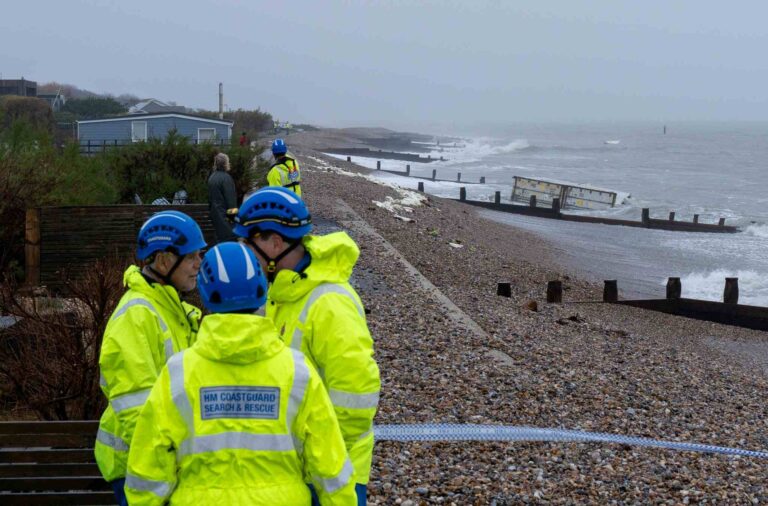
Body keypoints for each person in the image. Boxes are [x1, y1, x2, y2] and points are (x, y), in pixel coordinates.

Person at [125, 242, 357, 505]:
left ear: (206, 293)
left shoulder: (178, 374)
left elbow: (148, 468)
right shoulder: (298, 372)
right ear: (261, 290)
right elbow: (331, 467)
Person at [234, 187, 380, 505]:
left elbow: (355, 400)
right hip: (294, 470)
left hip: (331, 477)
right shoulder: (280, 291)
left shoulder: (329, 303)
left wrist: (318, 461)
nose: (243, 250)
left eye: (248, 241)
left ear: (275, 242)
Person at [95, 210, 207, 506]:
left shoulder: (170, 308)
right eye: (192, 256)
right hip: (142, 468)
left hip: (164, 461)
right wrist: (172, 463)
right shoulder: (137, 315)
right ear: (164, 260)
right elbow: (136, 412)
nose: (199, 264)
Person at [208, 152, 238, 243]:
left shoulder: (212, 178)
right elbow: (231, 202)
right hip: (226, 221)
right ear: (226, 163)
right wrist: (234, 220)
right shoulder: (226, 178)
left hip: (215, 217)